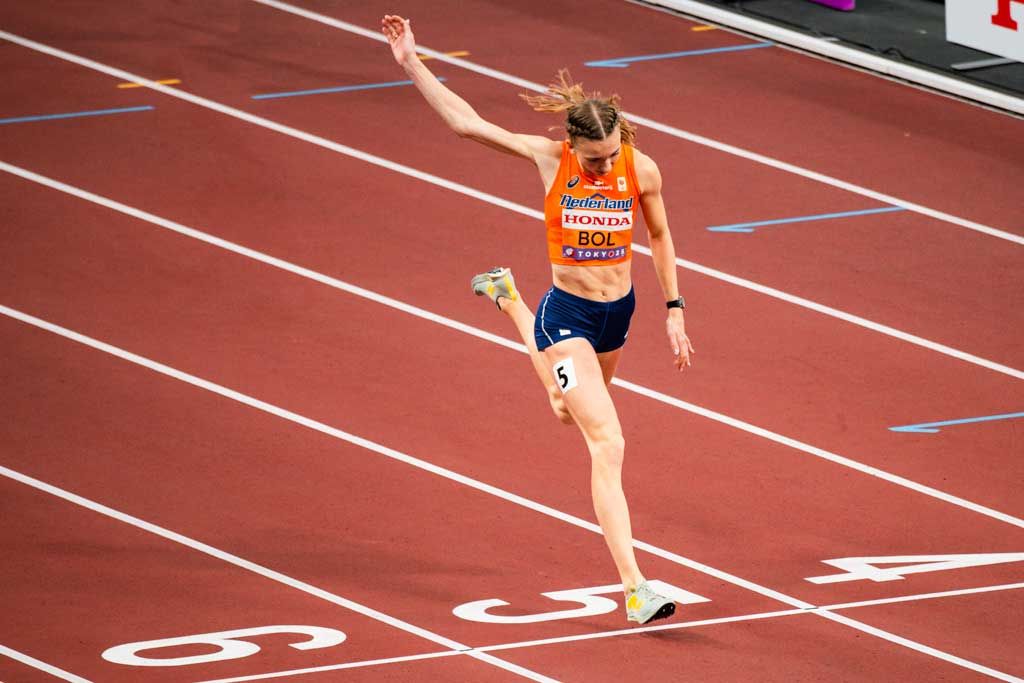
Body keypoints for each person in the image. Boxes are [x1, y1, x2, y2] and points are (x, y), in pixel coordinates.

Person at [383, 15, 694, 625]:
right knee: (607, 441)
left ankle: (505, 298)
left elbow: (659, 236)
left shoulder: (642, 168)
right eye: (593, 160)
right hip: (567, 314)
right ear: (572, 145)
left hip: (617, 314)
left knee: (560, 408)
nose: (603, 169)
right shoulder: (550, 160)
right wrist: (411, 62)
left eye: (609, 157)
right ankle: (635, 589)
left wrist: (675, 310)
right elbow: (466, 124)